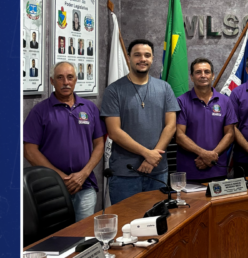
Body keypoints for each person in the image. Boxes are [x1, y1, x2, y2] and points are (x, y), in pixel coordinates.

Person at [100, 39, 180, 204]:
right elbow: (114, 132)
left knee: (157, 217)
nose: (142, 59)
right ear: (129, 57)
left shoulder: (165, 88)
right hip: (125, 174)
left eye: (147, 55)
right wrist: (147, 154)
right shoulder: (113, 90)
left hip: (158, 171)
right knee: (127, 218)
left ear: (152, 59)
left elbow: (171, 126)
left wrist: (153, 157)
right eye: (137, 55)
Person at [23, 62, 105, 221]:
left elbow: (99, 144)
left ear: (76, 80)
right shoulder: (39, 111)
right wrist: (60, 177)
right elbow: (29, 150)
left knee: (84, 233)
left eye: (70, 77)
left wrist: (83, 174)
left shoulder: (90, 108)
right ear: (52, 81)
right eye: (60, 77)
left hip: (85, 185)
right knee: (57, 234)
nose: (65, 82)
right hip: (51, 188)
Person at [176, 58, 237, 182]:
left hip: (218, 169)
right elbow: (179, 135)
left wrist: (211, 157)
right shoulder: (181, 101)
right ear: (192, 77)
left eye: (207, 72)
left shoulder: (225, 101)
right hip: (189, 171)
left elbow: (230, 134)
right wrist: (204, 154)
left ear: (212, 75)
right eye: (198, 72)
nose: (203, 75)